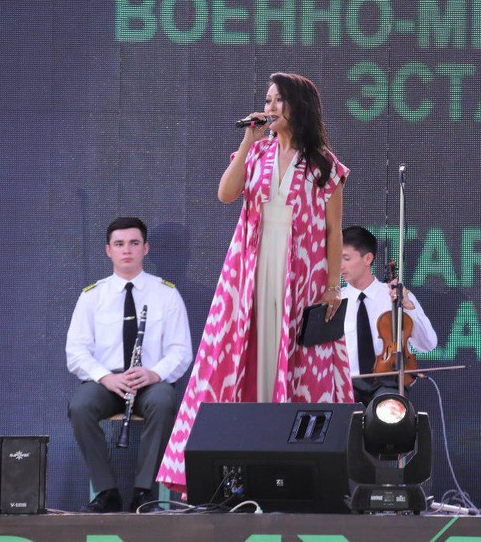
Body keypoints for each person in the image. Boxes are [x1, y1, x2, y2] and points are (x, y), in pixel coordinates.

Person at [156, 73, 352, 495]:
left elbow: (334, 231)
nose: (271, 107)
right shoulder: (258, 151)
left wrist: (333, 285)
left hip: (302, 275)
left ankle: (294, 471)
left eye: (279, 100)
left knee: (296, 359)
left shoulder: (325, 164)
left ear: (300, 105)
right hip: (251, 270)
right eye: (268, 100)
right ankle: (238, 471)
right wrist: (248, 141)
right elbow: (226, 194)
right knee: (242, 354)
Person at [66, 217, 193, 513]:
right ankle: (106, 492)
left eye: (134, 243)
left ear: (145, 249)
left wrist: (153, 373)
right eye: (119, 244)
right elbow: (76, 352)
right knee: (80, 406)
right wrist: (105, 377)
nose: (127, 250)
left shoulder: (167, 294)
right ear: (108, 250)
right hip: (107, 383)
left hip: (149, 382)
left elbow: (180, 351)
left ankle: (144, 493)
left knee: (163, 401)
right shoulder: (92, 296)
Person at [339, 225, 438, 404]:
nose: (340, 265)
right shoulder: (336, 300)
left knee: (388, 410)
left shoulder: (395, 295)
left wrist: (408, 306)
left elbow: (428, 344)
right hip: (346, 386)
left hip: (386, 384)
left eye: (346, 258)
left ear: (367, 258)